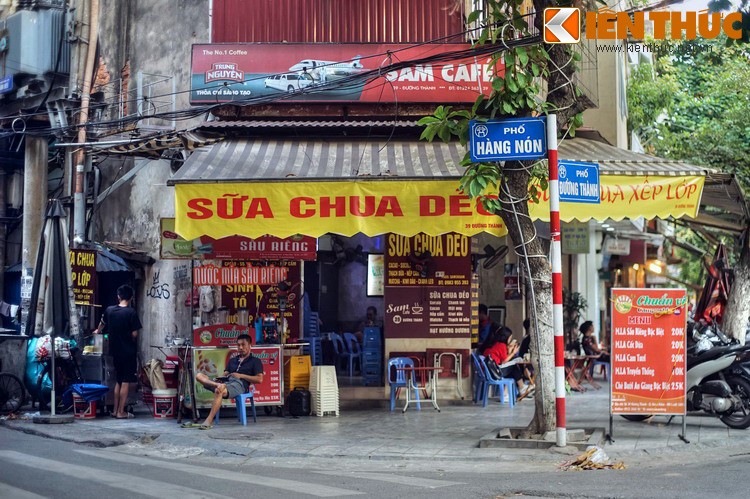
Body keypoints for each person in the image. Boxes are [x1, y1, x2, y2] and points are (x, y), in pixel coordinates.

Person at [192, 334, 263, 430]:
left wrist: (241, 376)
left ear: (250, 345)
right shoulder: (233, 360)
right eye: (238, 345)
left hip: (239, 385)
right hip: (225, 382)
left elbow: (259, 379)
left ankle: (208, 420)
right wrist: (220, 378)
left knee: (219, 390)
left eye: (243, 345)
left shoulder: (255, 361)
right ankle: (217, 384)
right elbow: (225, 374)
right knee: (199, 376)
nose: (240, 347)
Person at [94, 284, 141, 419]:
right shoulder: (131, 312)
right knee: (126, 381)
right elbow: (135, 334)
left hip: (114, 351)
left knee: (118, 381)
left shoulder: (109, 310)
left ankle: (115, 410)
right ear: (131, 298)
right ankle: (121, 412)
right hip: (128, 352)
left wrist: (98, 331)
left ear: (118, 296)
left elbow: (102, 324)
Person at [480, 327, 532, 398]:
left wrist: (510, 349)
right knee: (513, 367)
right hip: (495, 372)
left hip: (491, 370)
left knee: (511, 371)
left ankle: (506, 393)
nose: (510, 339)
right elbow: (504, 361)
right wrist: (513, 352)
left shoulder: (496, 344)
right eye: (510, 338)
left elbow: (504, 358)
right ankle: (521, 387)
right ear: (506, 337)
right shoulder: (501, 345)